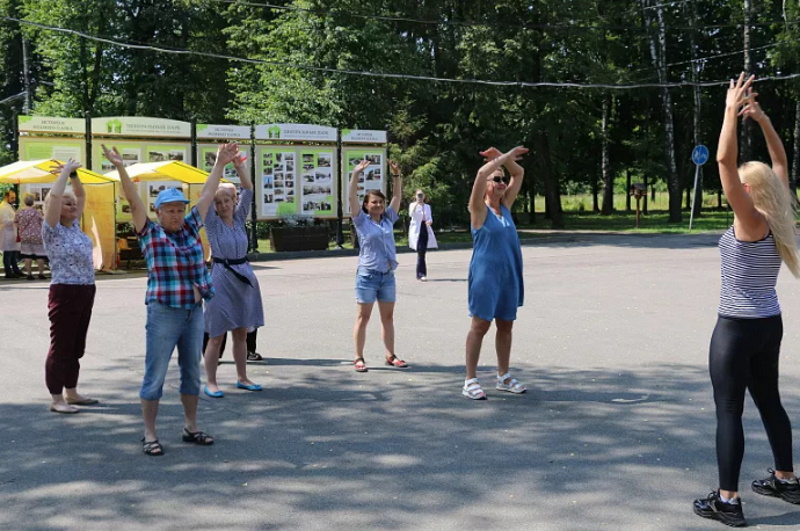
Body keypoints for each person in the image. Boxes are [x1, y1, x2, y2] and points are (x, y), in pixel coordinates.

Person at [692, 74, 800, 527]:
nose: (732, 189)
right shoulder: (779, 214)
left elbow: (722, 159)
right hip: (768, 324)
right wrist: (762, 118)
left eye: (739, 185)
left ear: (750, 190)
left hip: (736, 327)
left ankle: (728, 501)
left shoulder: (752, 218)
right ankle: (786, 479)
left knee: (729, 411)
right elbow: (780, 161)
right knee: (770, 402)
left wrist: (729, 112)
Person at [105, 142, 236, 456]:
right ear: (158, 212)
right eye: (170, 210)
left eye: (180, 209)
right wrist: (121, 167)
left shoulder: (190, 228)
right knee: (156, 374)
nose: (177, 215)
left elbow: (207, 195)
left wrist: (219, 163)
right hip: (163, 312)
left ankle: (191, 426)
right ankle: (149, 433)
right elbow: (133, 200)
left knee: (191, 372)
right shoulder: (150, 233)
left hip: (193, 312)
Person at [463, 146, 528, 400]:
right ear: (488, 185)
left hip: (508, 274)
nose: (502, 183)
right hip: (485, 276)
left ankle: (503, 376)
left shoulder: (506, 207)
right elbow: (481, 174)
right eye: (497, 179)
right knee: (480, 325)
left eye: (503, 179)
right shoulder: (479, 210)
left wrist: (503, 156)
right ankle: (470, 380)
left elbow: (518, 173)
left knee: (506, 324)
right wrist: (502, 158)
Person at [202, 161, 264, 398]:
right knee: (216, 334)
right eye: (218, 202)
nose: (223, 205)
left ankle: (242, 377)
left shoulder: (239, 219)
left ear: (233, 201)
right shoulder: (212, 223)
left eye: (227, 200)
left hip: (244, 278)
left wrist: (239, 166)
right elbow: (206, 194)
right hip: (221, 277)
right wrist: (219, 165)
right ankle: (211, 382)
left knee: (241, 333)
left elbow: (248, 189)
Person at [41, 160, 97, 413]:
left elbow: (81, 194)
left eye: (73, 203)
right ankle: (57, 398)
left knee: (76, 345)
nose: (73, 206)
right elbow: (54, 197)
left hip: (86, 289)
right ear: (55, 209)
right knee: (61, 345)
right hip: (65, 291)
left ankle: (71, 392)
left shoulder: (74, 226)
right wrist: (64, 173)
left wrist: (74, 175)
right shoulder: (52, 230)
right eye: (68, 203)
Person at [349, 158, 407, 372]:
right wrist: (356, 174)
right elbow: (351, 197)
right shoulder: (361, 220)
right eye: (374, 202)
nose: (378, 205)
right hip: (368, 275)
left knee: (388, 317)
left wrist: (396, 175)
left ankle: (390, 355)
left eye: (381, 202)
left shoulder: (388, 219)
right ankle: (358, 357)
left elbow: (397, 197)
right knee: (363, 317)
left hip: (387, 275)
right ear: (366, 205)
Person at [16, 193, 47, 280]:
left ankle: (29, 274)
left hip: (25, 236)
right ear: (33, 202)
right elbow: (42, 223)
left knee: (27, 255)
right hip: (37, 235)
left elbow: (16, 223)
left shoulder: (20, 212)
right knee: (40, 255)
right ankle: (41, 273)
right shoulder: (37, 212)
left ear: (24, 201)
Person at [408, 189, 437, 281]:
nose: (420, 197)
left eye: (421, 195)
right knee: (420, 252)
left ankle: (420, 273)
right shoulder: (413, 205)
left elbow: (430, 218)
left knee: (422, 252)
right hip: (417, 229)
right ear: (415, 196)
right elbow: (411, 214)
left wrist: (429, 222)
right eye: (418, 195)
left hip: (425, 228)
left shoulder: (427, 207)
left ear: (424, 196)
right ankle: (421, 273)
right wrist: (417, 203)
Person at [0, 189, 22, 279]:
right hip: (6, 232)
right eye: (12, 198)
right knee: (8, 253)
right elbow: (5, 220)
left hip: (11, 232)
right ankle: (8, 272)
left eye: (14, 198)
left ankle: (16, 270)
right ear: (6, 197)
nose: (14, 200)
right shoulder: (3, 207)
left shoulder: (9, 206)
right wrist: (15, 220)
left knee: (13, 252)